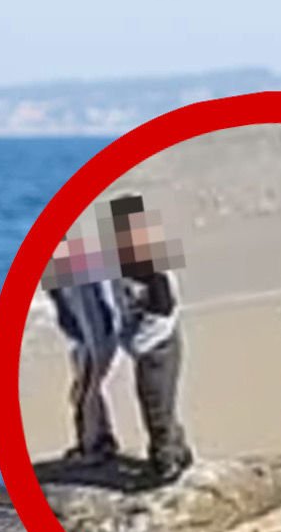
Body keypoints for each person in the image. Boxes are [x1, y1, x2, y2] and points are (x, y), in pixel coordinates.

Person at [48, 193, 193, 484]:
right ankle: (170, 450)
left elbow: (164, 307)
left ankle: (166, 459)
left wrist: (137, 340)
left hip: (159, 342)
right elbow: (73, 303)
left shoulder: (152, 265)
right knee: (143, 397)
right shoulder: (109, 263)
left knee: (156, 400)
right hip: (129, 342)